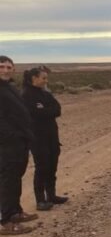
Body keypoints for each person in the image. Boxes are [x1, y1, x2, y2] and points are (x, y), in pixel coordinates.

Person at [21, 66, 68, 211]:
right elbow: (34, 113)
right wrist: (47, 111)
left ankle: (51, 195)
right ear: (34, 78)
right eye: (43, 78)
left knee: (52, 165)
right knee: (42, 167)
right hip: (37, 138)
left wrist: (45, 110)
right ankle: (40, 200)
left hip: (52, 136)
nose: (46, 81)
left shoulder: (46, 93)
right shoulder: (26, 95)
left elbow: (57, 109)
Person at [0, 56, 37, 234]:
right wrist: (12, 136)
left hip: (20, 141)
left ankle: (16, 212)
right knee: (8, 180)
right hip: (7, 144)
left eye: (9, 67)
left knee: (15, 178)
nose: (6, 70)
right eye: (1, 67)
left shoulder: (9, 87)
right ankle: (6, 221)